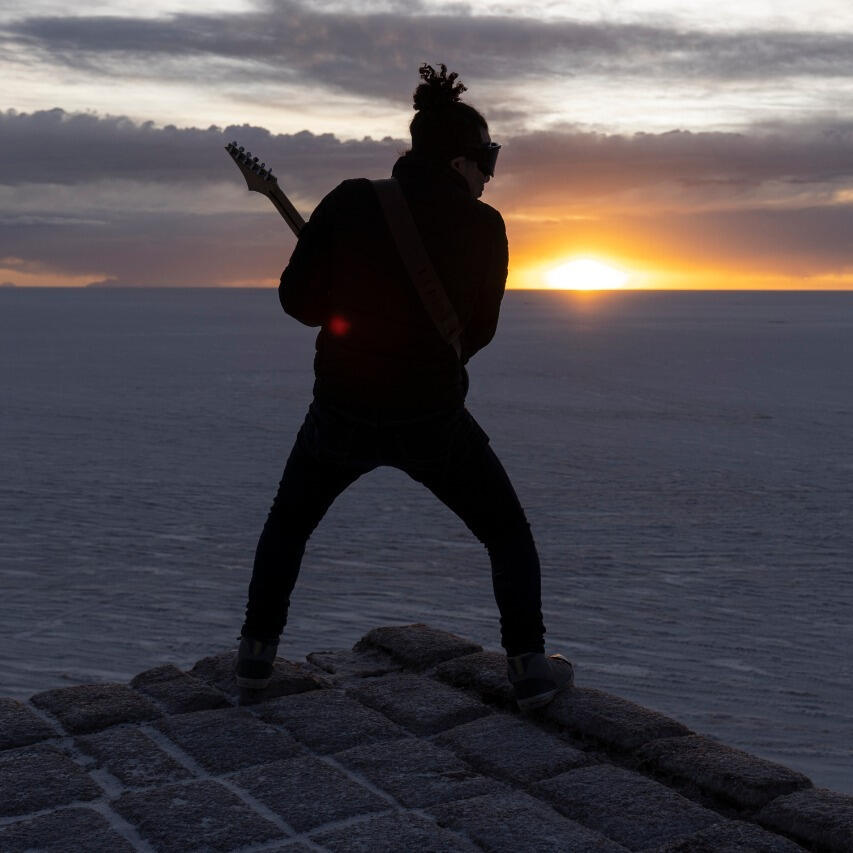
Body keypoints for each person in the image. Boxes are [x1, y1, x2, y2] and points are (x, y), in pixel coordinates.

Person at [237, 63, 573, 710]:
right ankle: (529, 666)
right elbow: (477, 332)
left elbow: (299, 304)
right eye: (486, 159)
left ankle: (255, 657)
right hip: (431, 417)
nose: (489, 174)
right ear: (458, 161)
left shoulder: (348, 200)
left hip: (341, 409)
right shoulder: (483, 226)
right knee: (506, 534)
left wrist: (349, 304)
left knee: (287, 526)